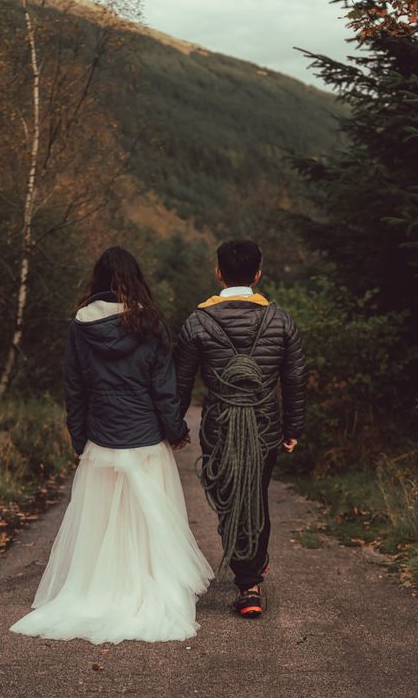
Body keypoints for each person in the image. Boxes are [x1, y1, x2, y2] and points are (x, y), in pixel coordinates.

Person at [9, 246, 213, 644]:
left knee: (101, 526)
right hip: (145, 440)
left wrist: (78, 437)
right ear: (135, 279)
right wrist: (176, 431)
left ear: (97, 281)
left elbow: (75, 387)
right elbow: (163, 388)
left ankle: (99, 590)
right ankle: (145, 588)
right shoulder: (150, 324)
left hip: (102, 440)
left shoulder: (80, 326)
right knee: (149, 525)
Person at [174, 239, 306, 619]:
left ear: (218, 273)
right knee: (255, 496)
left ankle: (248, 577)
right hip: (265, 426)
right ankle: (250, 577)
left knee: (231, 498)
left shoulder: (198, 321)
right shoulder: (280, 320)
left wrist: (175, 426)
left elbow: (180, 383)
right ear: (258, 274)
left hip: (219, 426)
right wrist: (293, 426)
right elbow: (295, 378)